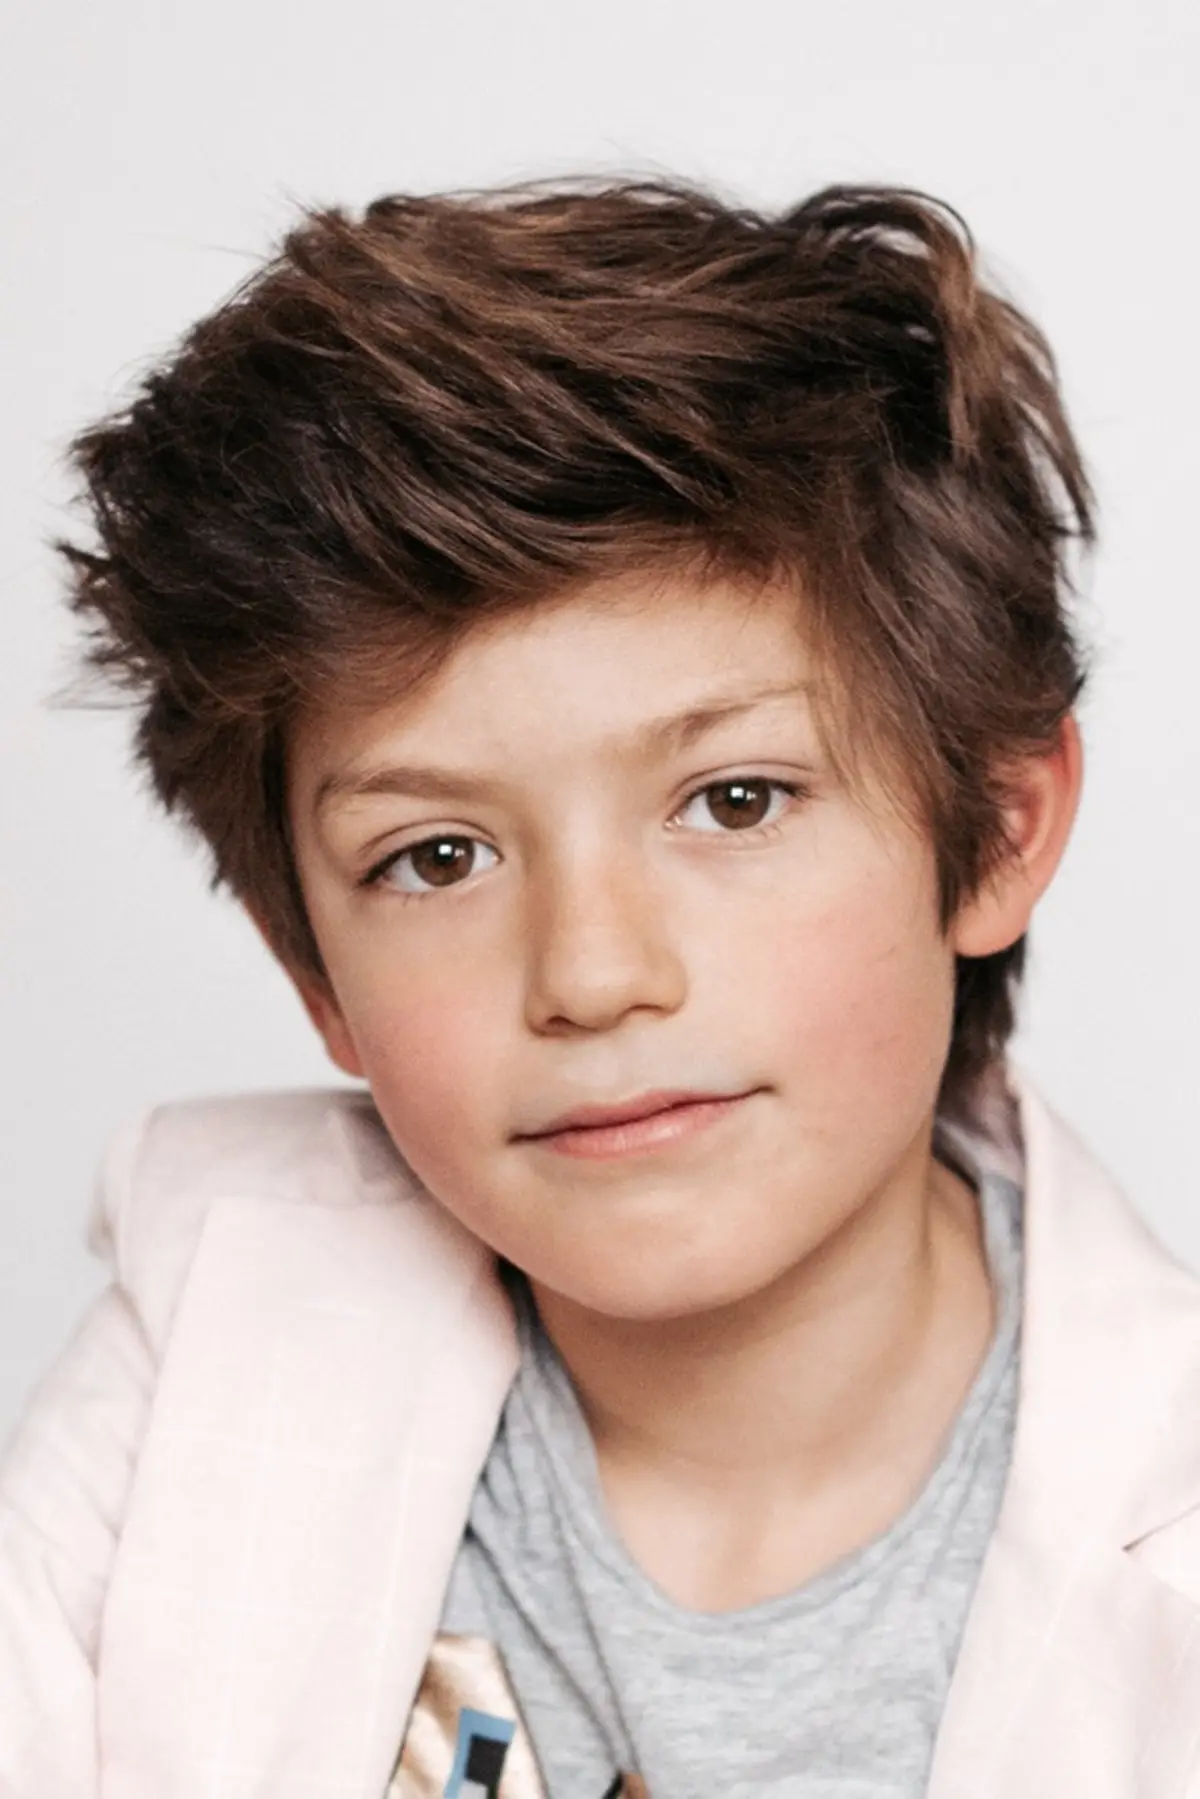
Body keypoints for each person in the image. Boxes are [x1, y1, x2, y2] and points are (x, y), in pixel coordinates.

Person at [3, 177, 1199, 1799]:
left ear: (991, 831)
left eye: (735, 800)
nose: (592, 972)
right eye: (436, 857)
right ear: (314, 974)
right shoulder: (209, 1330)